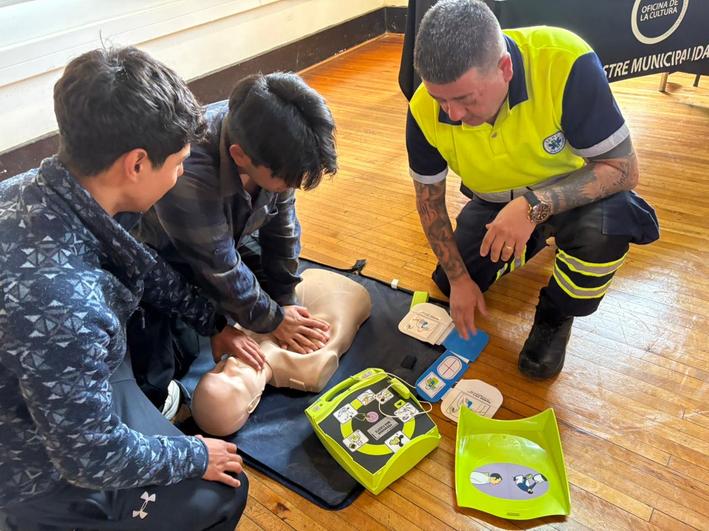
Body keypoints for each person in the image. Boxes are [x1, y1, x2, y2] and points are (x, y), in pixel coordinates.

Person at [0, 46, 248, 530]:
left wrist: (213, 322)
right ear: (136, 164)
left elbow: (140, 264)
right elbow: (90, 458)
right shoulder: (65, 305)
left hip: (44, 378)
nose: (181, 173)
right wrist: (194, 456)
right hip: (29, 465)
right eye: (178, 162)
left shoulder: (37, 186)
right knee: (221, 493)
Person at [406, 0, 659, 379]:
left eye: (465, 98)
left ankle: (556, 313)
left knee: (607, 229)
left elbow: (623, 170)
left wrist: (532, 207)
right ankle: (533, 239)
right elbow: (429, 204)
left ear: (505, 68)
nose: (452, 114)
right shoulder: (423, 108)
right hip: (494, 201)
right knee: (447, 280)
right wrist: (458, 279)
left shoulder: (565, 62)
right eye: (440, 99)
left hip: (571, 195)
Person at [132, 72, 338, 409]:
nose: (290, 188)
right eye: (285, 181)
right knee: (160, 369)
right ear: (240, 156)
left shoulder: (273, 148)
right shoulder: (190, 171)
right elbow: (219, 266)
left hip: (224, 238)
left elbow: (282, 228)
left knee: (271, 287)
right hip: (162, 254)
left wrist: (283, 299)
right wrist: (271, 320)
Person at [191, 268, 372, 436]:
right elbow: (340, 317)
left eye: (217, 369)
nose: (230, 363)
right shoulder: (309, 370)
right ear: (253, 403)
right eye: (234, 378)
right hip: (347, 294)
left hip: (299, 284)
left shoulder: (238, 338)